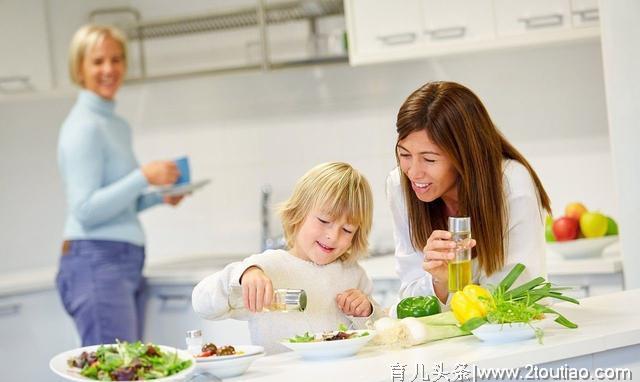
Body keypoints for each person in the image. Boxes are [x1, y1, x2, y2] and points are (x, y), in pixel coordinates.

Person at [56, 24, 186, 346]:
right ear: (79, 68)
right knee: (116, 372)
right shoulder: (83, 127)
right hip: (96, 259)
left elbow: (119, 204)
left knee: (128, 368)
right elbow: (85, 210)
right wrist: (143, 176)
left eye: (116, 60)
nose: (109, 69)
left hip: (122, 260)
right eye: (98, 61)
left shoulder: (116, 125)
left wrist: (160, 198)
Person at [387, 81, 551, 305]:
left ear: (463, 155)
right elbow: (410, 295)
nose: (414, 172)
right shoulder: (399, 186)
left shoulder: (511, 183)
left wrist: (457, 290)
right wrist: (440, 282)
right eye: (405, 155)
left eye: (429, 159)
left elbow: (520, 290)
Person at [192, 162, 381, 354]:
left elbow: (380, 334)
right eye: (324, 221)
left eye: (347, 230)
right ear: (297, 214)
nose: (333, 236)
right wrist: (242, 275)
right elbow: (202, 304)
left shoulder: (353, 273)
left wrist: (367, 311)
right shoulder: (265, 269)